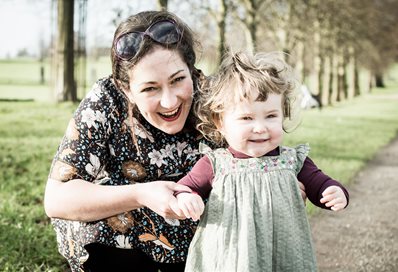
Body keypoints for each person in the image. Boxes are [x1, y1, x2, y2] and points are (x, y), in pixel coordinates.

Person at [43, 10, 307, 272]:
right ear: (127, 89)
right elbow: (57, 199)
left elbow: (258, 151)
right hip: (118, 248)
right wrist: (141, 194)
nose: (169, 102)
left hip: (197, 248)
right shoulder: (105, 102)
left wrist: (280, 183)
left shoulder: (217, 100)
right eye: (150, 88)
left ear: (191, 70)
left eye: (178, 79)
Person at [174, 51, 349, 271]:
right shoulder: (216, 164)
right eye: (246, 118)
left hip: (283, 252)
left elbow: (319, 184)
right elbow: (185, 187)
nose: (260, 127)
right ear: (220, 122)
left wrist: (334, 190)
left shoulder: (292, 161)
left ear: (282, 114)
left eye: (271, 116)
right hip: (230, 256)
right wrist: (186, 197)